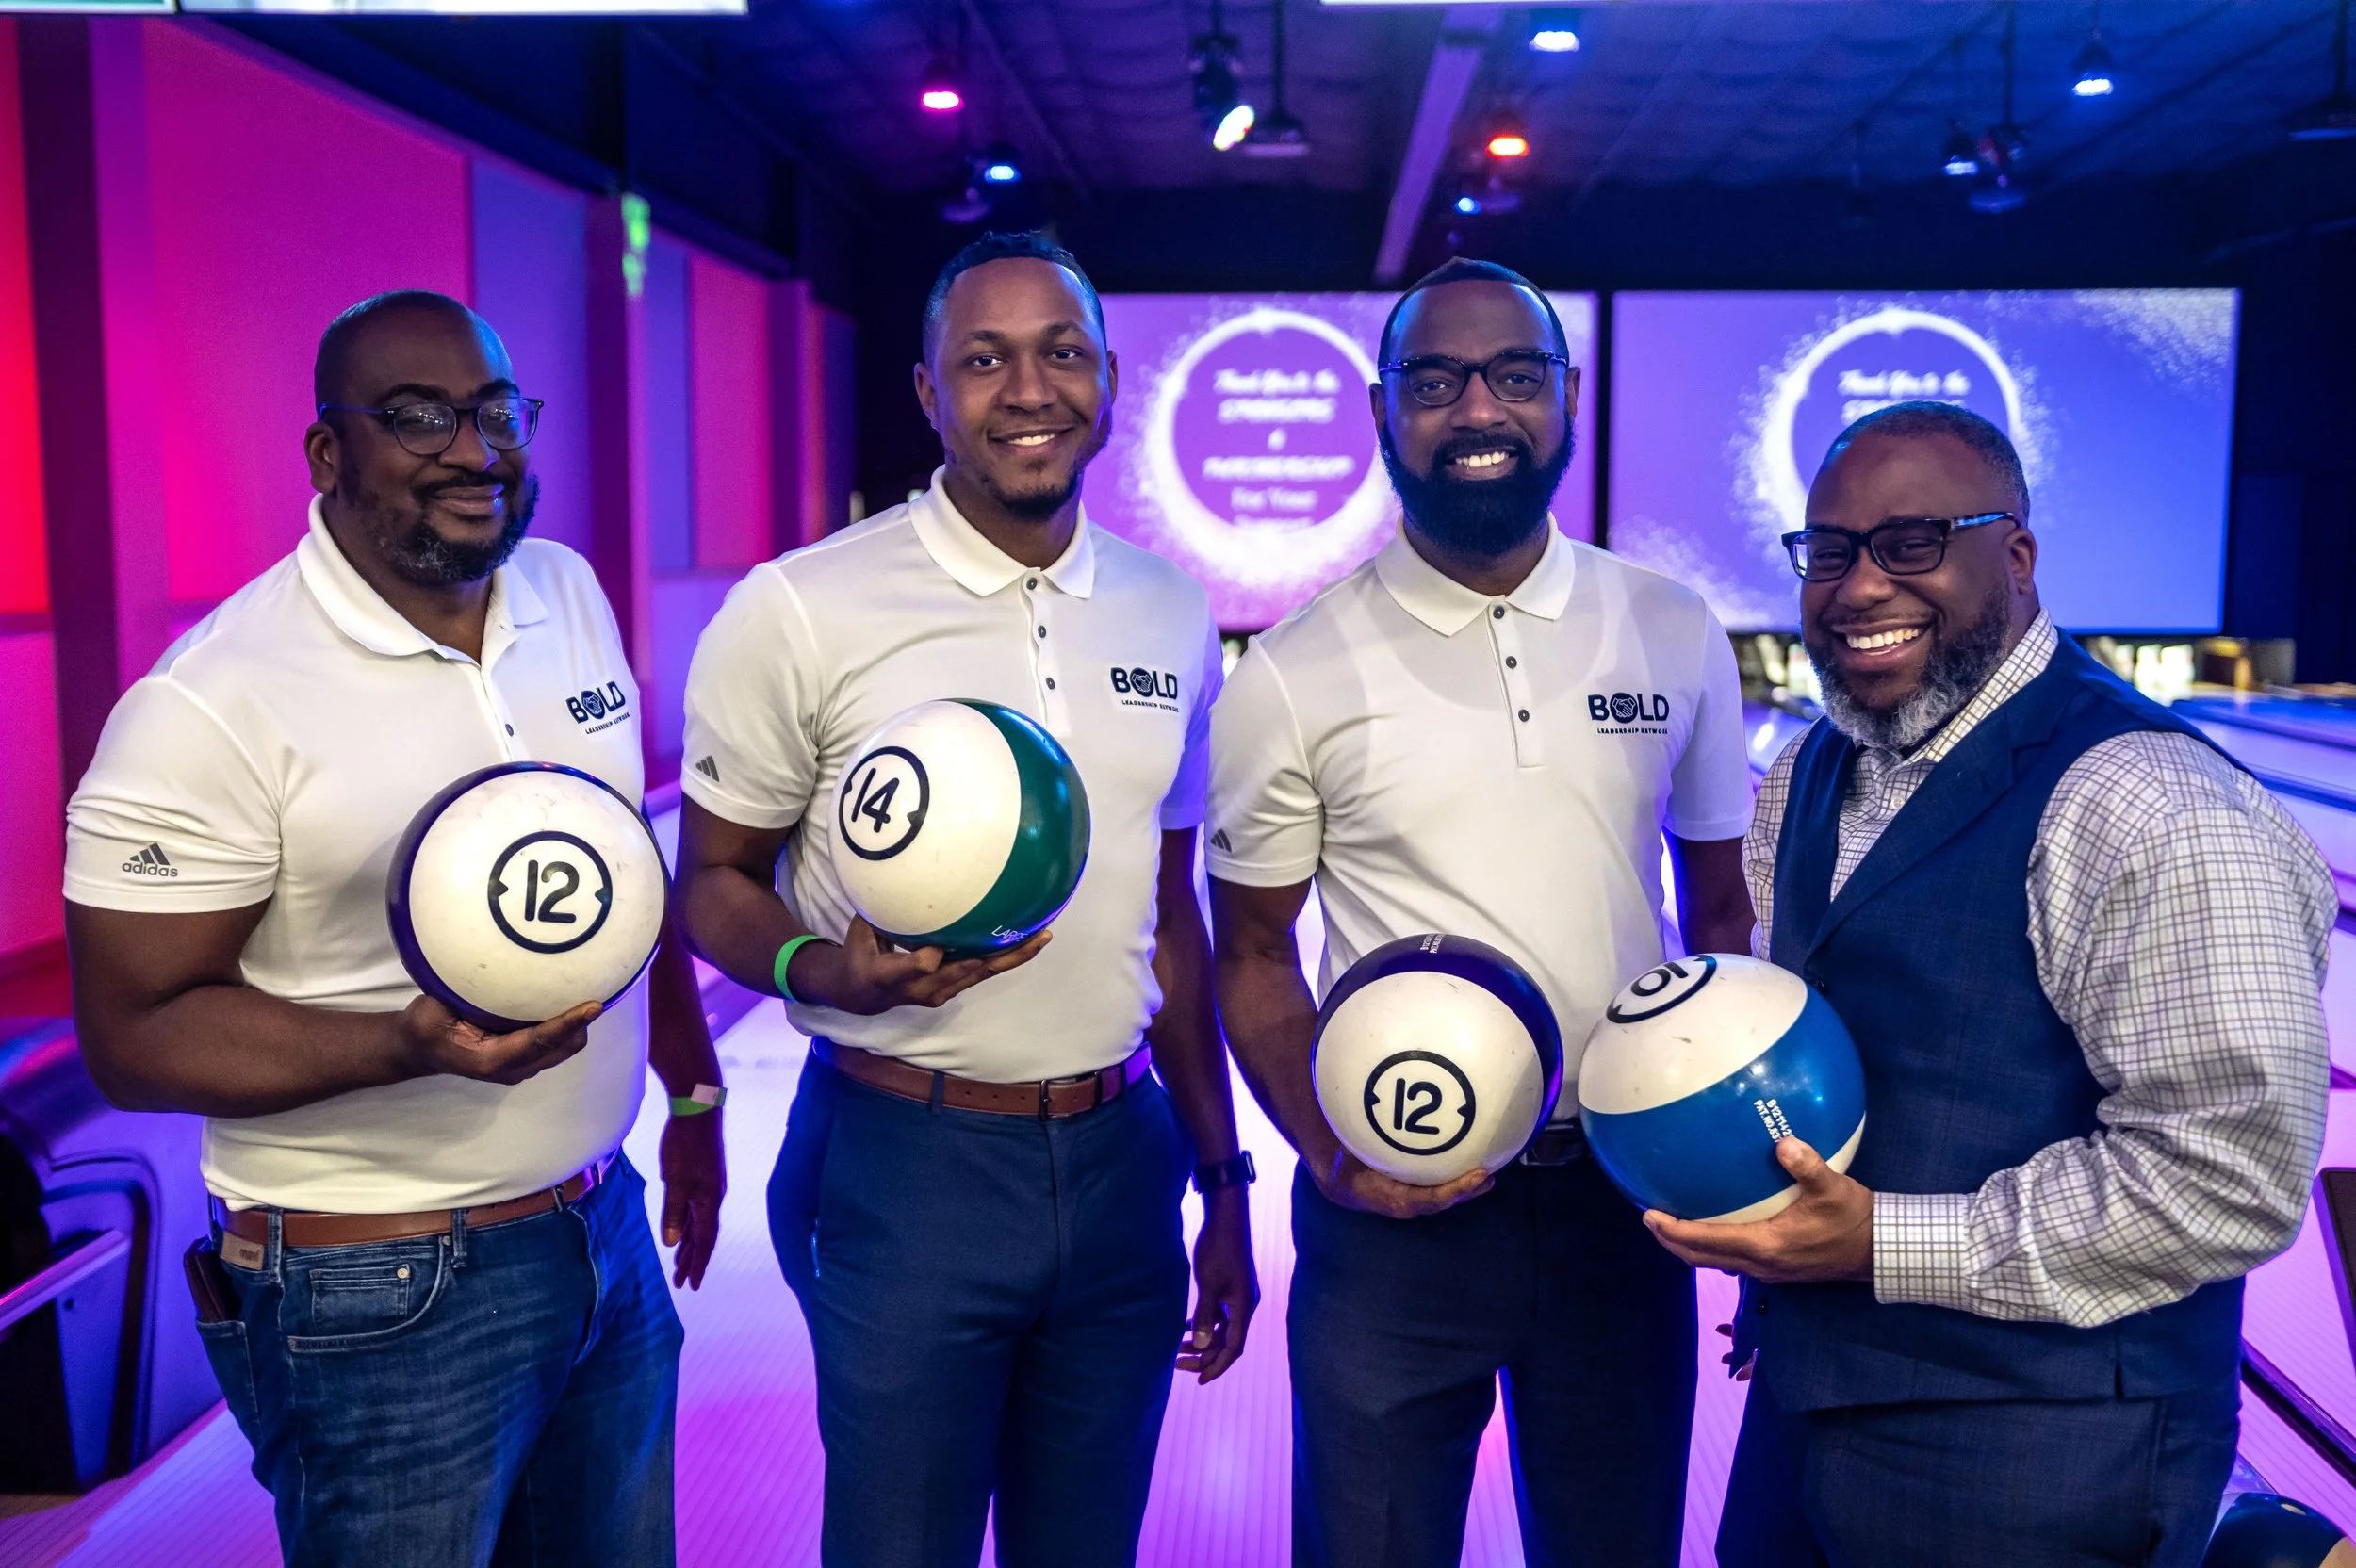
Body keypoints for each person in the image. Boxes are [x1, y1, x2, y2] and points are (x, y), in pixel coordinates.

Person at [62, 290, 724, 1568]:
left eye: (494, 412)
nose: (473, 451)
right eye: (418, 417)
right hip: (376, 1289)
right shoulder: (214, 701)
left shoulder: (568, 594)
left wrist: (689, 1094)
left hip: (599, 1230)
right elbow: (134, 1034)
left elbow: (618, 877)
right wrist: (407, 1043)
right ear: (329, 453)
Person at [1649, 401, 2334, 1567]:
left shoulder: (2148, 802)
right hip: (1809, 1411)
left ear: (2013, 555)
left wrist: (1880, 1241)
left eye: (1911, 542)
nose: (1859, 584)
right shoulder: (1816, 766)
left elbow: (2231, 1172)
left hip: (2045, 1464)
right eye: (1829, 550)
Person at [672, 230, 1255, 1568]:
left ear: (1110, 378)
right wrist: (827, 968)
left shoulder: (1169, 611)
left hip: (1121, 1163)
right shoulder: (804, 608)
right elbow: (710, 881)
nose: (1029, 390)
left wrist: (1220, 1179)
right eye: (984, 360)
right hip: (901, 1158)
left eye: (1061, 354)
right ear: (931, 393)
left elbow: (1171, 917)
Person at [1207, 257, 1758, 1568]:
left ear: (1566, 399)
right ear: (1385, 412)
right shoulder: (1290, 673)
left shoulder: (1672, 628)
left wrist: (1728, 1164)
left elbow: (1723, 917)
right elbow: (1251, 954)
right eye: (1437, 381)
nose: (1479, 411)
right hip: (1394, 1208)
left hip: (1624, 1203)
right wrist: (1329, 1155)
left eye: (1516, 376)